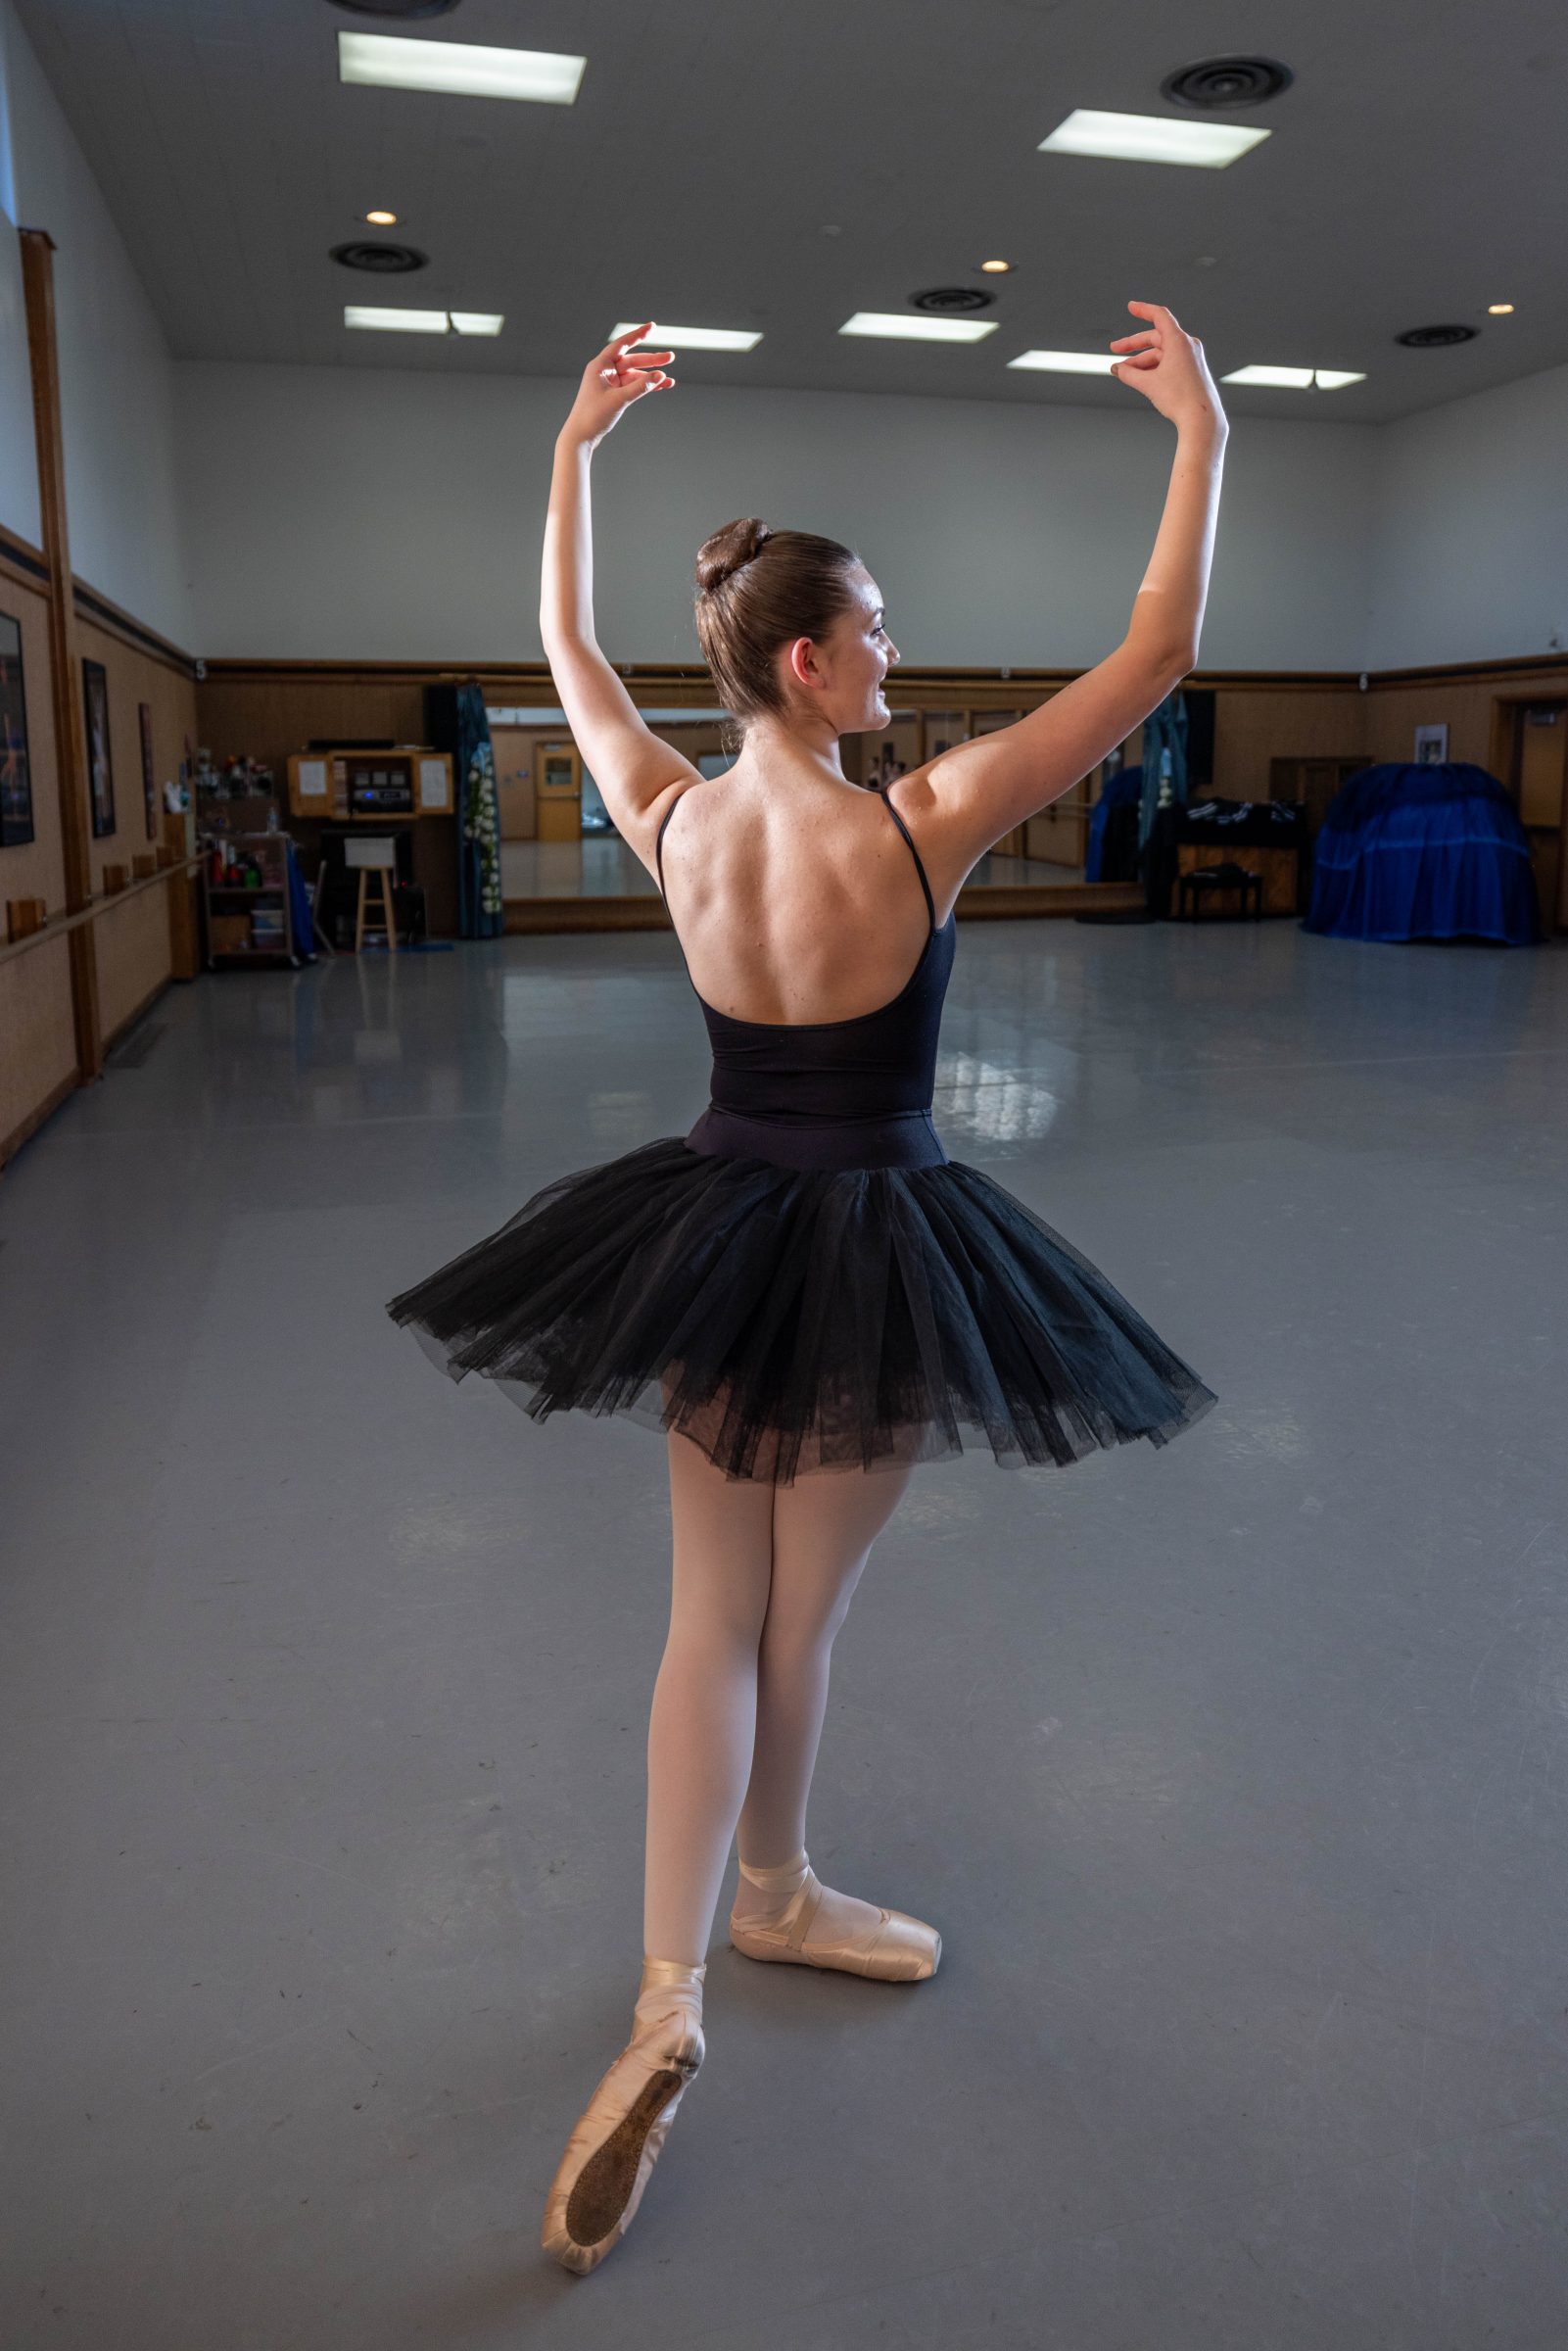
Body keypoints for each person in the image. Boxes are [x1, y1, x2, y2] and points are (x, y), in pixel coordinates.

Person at [385, 305, 1228, 2275]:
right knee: (804, 1617)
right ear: (807, 658)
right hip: (869, 1234)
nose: (897, 656)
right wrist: (1206, 438)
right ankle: (773, 1888)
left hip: (714, 1219)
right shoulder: (919, 825)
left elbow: (571, 660)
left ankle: (673, 1986)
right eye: (877, 631)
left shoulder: (675, 821)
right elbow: (1161, 656)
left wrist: (575, 456)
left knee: (710, 1617)